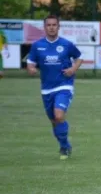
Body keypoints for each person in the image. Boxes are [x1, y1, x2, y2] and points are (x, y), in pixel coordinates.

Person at [27, 15, 83, 159]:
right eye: (49, 25)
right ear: (44, 27)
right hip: (46, 89)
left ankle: (64, 148)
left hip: (64, 85)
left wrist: (73, 69)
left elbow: (79, 57)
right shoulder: (37, 45)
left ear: (59, 27)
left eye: (54, 25)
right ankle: (64, 145)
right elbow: (30, 62)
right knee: (54, 121)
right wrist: (31, 69)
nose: (51, 27)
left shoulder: (66, 44)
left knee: (59, 115)